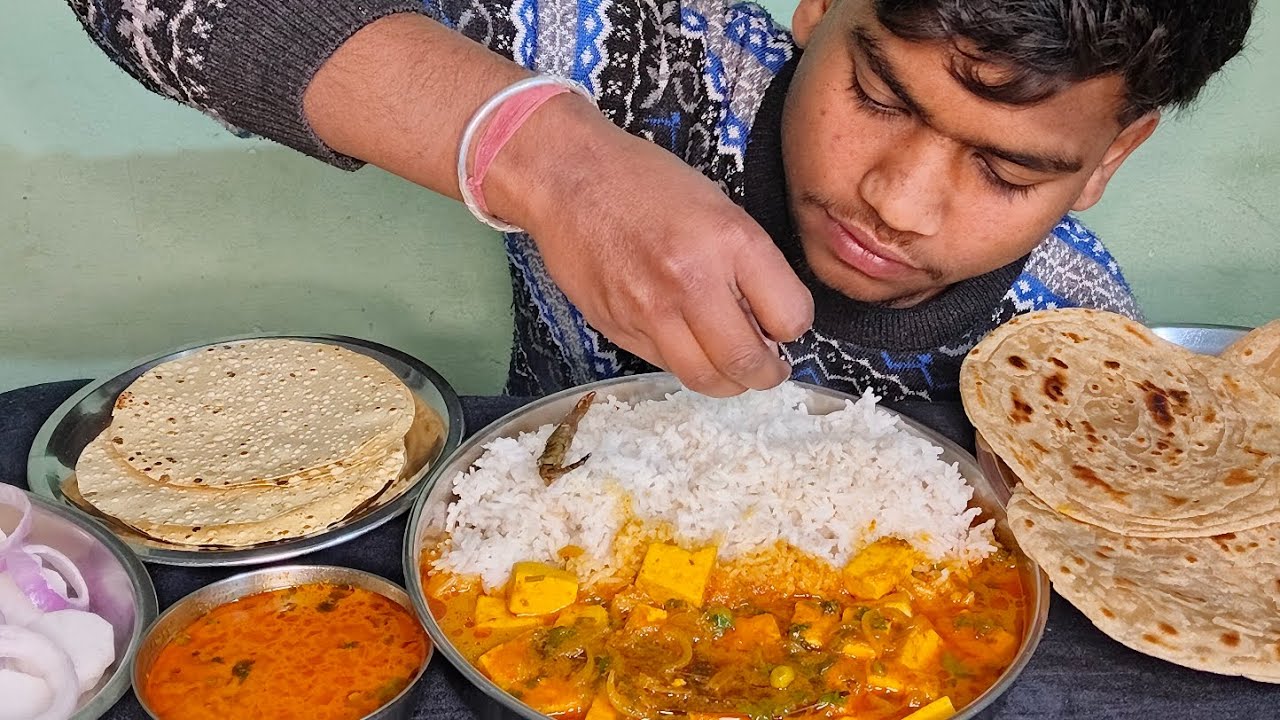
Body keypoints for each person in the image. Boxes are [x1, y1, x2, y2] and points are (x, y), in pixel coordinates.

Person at [68, 0, 1254, 402]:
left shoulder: (1073, 346)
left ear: (1108, 158)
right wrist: (545, 155)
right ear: (816, 11)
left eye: (1006, 170)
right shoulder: (638, 56)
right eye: (878, 95)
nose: (898, 201)